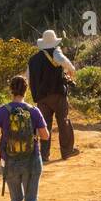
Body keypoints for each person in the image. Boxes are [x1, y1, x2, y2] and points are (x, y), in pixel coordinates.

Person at [27, 29, 79, 161]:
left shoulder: (32, 60)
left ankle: (44, 155)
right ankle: (67, 151)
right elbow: (65, 62)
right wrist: (71, 72)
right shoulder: (56, 52)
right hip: (57, 93)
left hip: (41, 97)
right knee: (63, 121)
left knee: (44, 125)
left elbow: (27, 77)